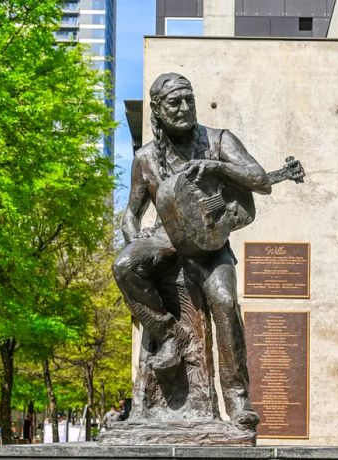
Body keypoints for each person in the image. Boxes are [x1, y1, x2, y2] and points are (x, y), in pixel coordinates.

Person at [112, 73, 268, 429]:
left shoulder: (219, 140)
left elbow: (260, 180)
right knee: (124, 265)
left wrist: (217, 166)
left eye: (189, 100)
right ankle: (168, 334)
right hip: (168, 244)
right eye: (174, 103)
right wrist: (134, 239)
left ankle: (239, 402)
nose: (184, 108)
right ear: (157, 110)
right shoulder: (145, 158)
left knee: (225, 302)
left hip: (212, 250)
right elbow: (130, 215)